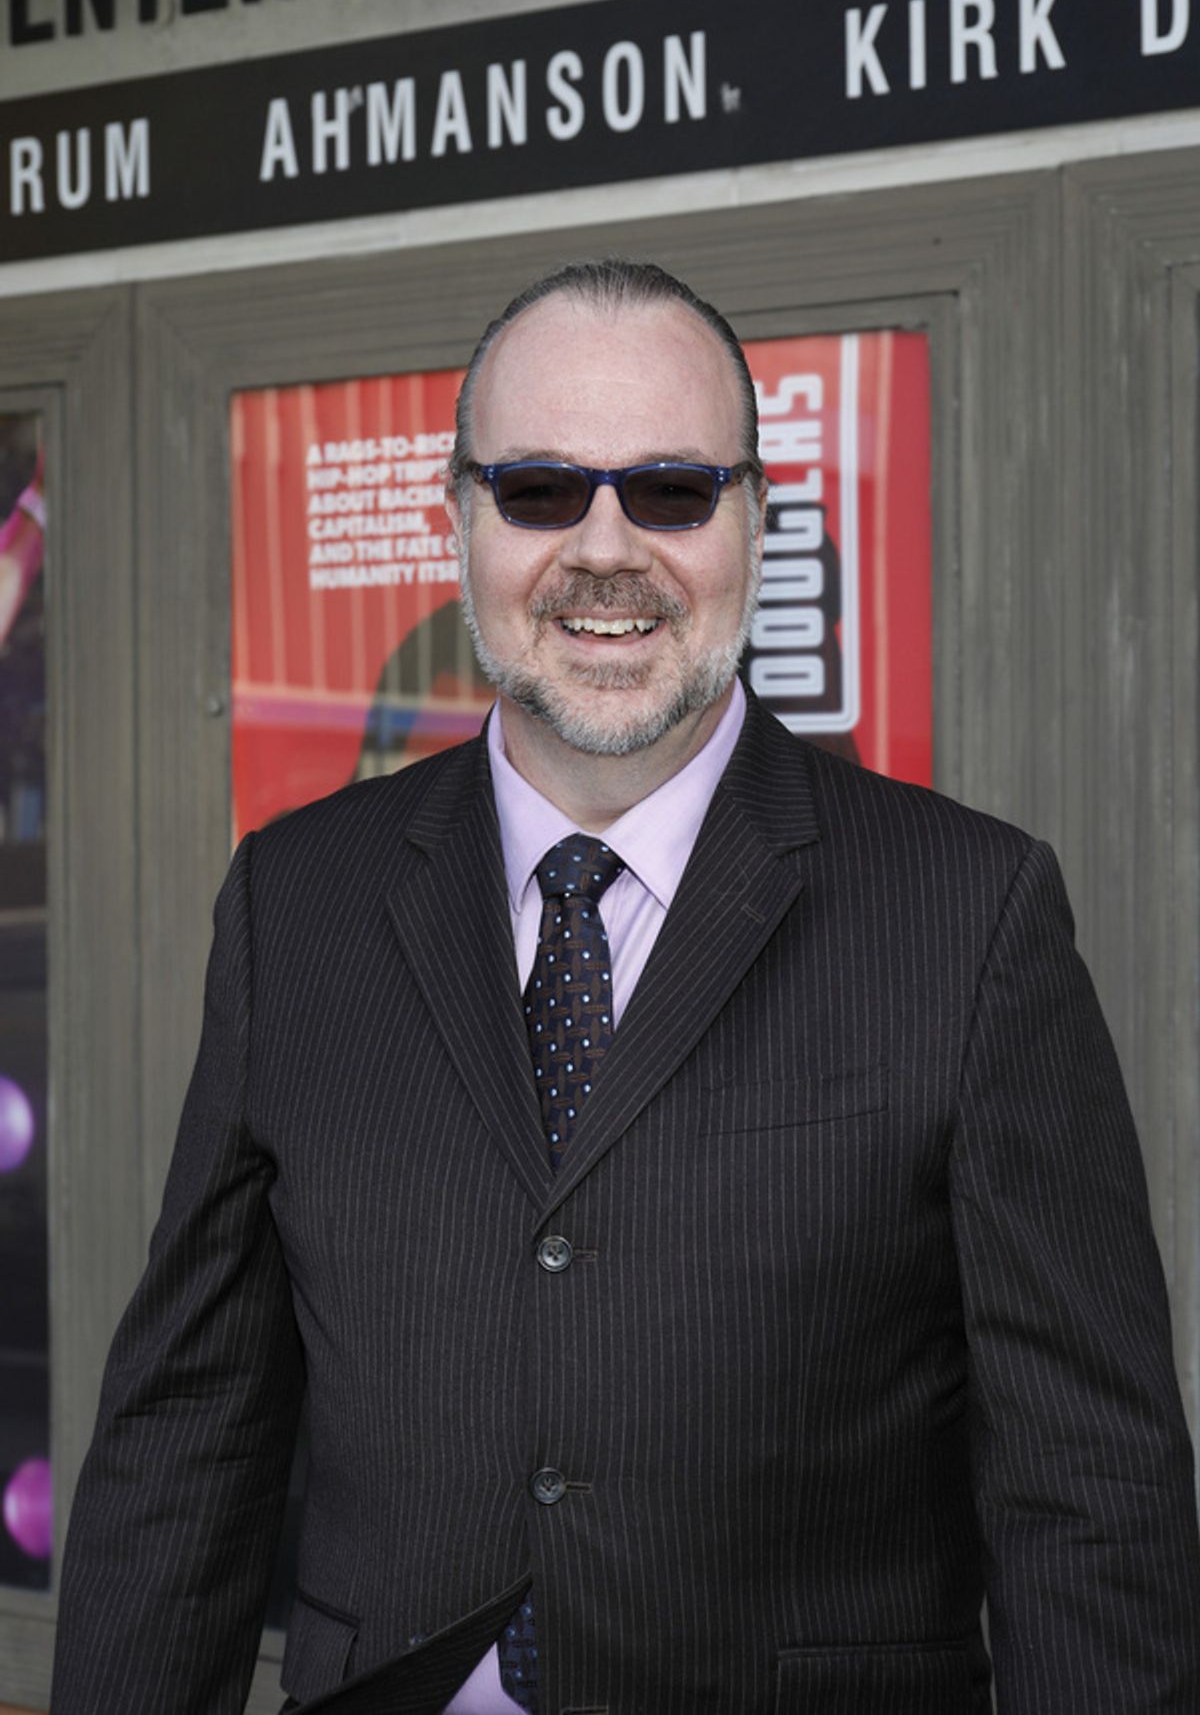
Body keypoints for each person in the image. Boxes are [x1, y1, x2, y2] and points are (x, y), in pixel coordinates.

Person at [52, 261, 1200, 1715]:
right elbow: (189, 1436)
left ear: (758, 527)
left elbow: (1090, 1492)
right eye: (538, 490)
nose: (607, 550)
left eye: (672, 490)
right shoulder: (298, 902)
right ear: (455, 523)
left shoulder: (971, 916)